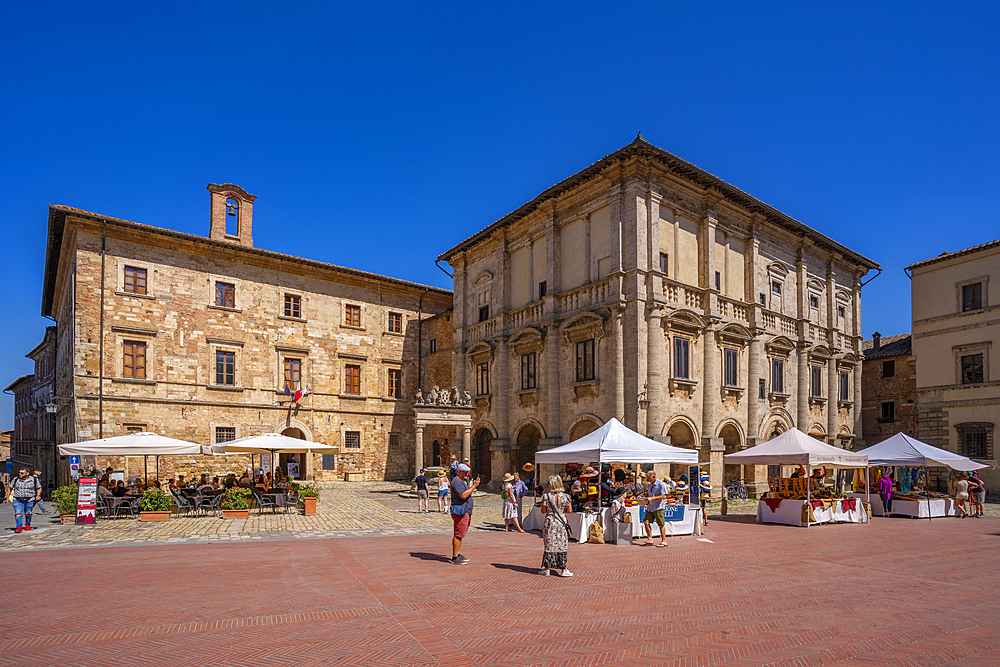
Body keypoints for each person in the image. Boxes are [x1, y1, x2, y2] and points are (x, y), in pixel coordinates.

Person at [539, 474, 573, 577]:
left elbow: (543, 511)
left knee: (549, 544)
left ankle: (547, 568)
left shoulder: (546, 497)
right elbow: (570, 511)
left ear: (551, 485)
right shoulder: (567, 497)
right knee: (561, 544)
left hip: (550, 521)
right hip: (561, 521)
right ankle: (563, 569)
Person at [449, 463, 480, 565]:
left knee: (461, 533)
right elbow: (463, 495)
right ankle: (455, 556)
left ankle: (457, 554)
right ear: (458, 472)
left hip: (465, 510)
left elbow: (466, 491)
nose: (467, 474)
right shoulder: (457, 481)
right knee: (458, 534)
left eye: (468, 473)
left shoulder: (461, 481)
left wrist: (472, 486)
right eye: (465, 472)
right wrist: (474, 486)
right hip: (461, 511)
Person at [9, 467, 41, 532]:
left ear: (27, 473)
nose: (20, 474)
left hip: (29, 499)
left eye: (22, 473)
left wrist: (38, 495)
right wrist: (8, 497)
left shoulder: (34, 480)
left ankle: (27, 524)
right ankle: (19, 527)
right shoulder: (16, 479)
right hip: (17, 499)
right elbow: (10, 487)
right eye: (19, 473)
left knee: (28, 513)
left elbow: (39, 488)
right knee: (18, 513)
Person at [643, 471, 670, 547]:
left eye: (648, 478)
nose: (647, 479)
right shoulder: (649, 484)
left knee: (661, 524)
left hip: (659, 507)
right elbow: (649, 494)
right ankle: (650, 539)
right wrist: (644, 496)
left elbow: (664, 496)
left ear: (654, 477)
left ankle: (664, 540)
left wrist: (652, 498)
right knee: (646, 522)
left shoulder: (661, 484)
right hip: (650, 507)